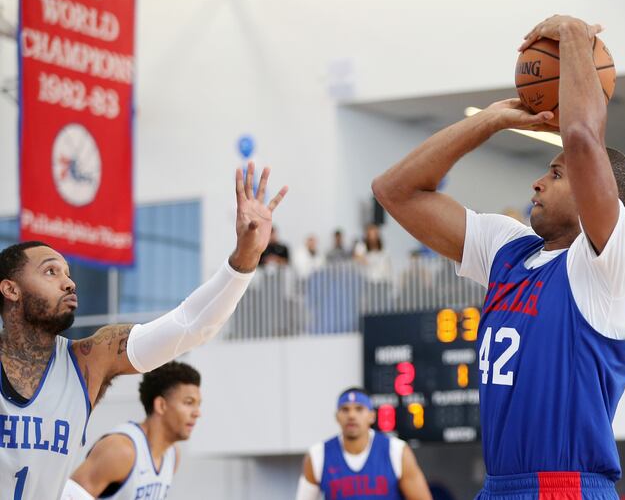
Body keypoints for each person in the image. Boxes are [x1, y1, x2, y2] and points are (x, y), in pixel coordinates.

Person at [372, 15, 625, 500]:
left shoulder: (611, 261)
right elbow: (395, 191)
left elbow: (583, 140)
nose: (538, 182)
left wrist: (577, 39)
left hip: (569, 487)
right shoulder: (508, 249)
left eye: (557, 175)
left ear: (593, 191)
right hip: (499, 487)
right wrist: (490, 119)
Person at [0, 162, 287, 499]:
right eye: (51, 272)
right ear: (11, 289)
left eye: (67, 272)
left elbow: (191, 325)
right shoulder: (122, 448)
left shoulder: (89, 361)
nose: (69, 282)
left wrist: (247, 254)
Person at [63, 361, 201, 499]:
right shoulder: (121, 450)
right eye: (189, 403)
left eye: (198, 405)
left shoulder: (172, 455)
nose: (197, 413)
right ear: (161, 405)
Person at [296, 387, 432, 500]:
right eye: (345, 409)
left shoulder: (396, 451)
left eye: (359, 409)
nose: (352, 416)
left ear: (372, 416)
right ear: (337, 416)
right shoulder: (317, 455)